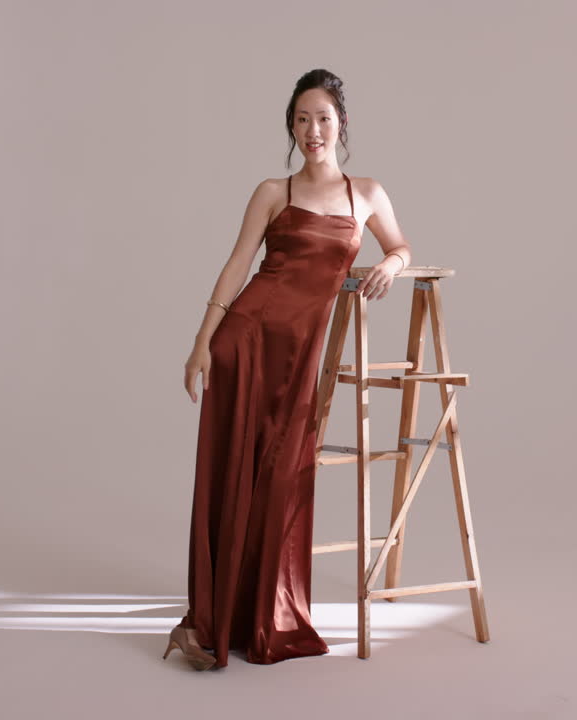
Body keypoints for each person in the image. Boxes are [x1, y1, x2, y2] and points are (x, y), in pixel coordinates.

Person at [163, 69, 411, 670]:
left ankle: (258, 616)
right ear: (291, 128)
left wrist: (393, 266)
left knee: (281, 478)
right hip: (246, 340)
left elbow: (400, 246)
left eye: (323, 118)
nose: (312, 130)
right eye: (301, 120)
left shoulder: (367, 193)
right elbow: (236, 265)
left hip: (301, 358)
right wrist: (202, 343)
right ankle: (210, 618)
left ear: (341, 123)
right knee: (234, 473)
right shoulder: (274, 191)